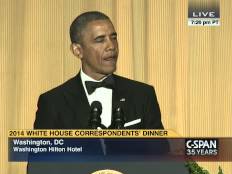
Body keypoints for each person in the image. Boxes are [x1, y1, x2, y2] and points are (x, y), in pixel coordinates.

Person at [34, 11, 164, 130]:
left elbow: (161, 153)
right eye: (100, 40)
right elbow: (41, 155)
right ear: (77, 50)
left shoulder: (143, 95)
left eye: (113, 38)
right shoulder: (53, 103)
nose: (111, 46)